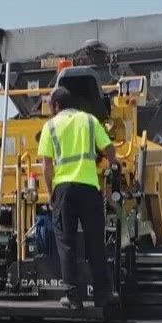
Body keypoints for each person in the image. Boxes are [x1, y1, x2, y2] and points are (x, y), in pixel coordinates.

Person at [38, 86, 119, 311]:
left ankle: (73, 298)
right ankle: (103, 296)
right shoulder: (90, 120)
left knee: (67, 244)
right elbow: (109, 149)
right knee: (95, 243)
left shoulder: (50, 126)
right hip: (89, 188)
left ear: (55, 106)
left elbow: (46, 165)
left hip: (64, 190)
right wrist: (113, 162)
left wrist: (50, 192)